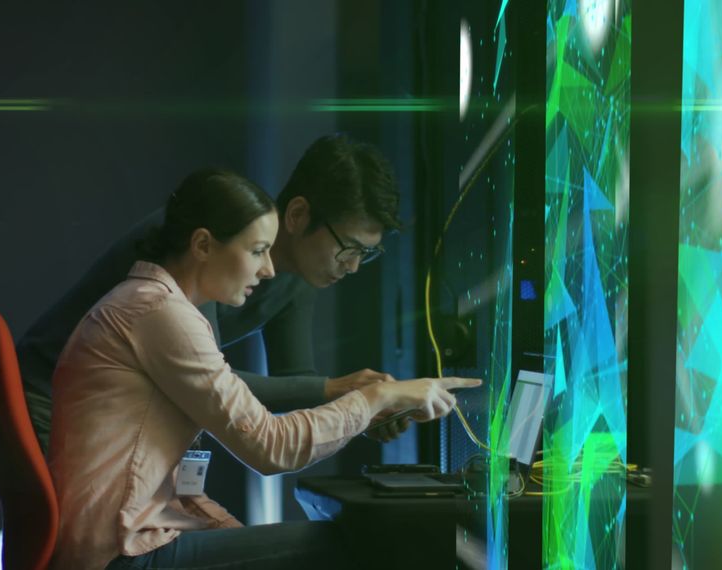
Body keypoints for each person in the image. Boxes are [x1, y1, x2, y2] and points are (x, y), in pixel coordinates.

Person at [47, 168, 481, 569]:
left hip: (118, 544)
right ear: (203, 245)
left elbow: (182, 489)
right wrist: (377, 396)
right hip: (119, 555)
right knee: (357, 543)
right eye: (257, 251)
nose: (269, 268)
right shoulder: (162, 314)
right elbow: (272, 448)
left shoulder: (151, 304)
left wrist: (234, 534)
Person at [18, 134, 413, 453]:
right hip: (50, 398)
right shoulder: (207, 243)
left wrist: (362, 409)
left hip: (111, 416)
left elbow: (293, 383)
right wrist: (340, 392)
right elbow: (212, 379)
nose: (353, 266)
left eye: (366, 254)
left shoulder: (297, 277)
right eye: (349, 248)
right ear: (297, 215)